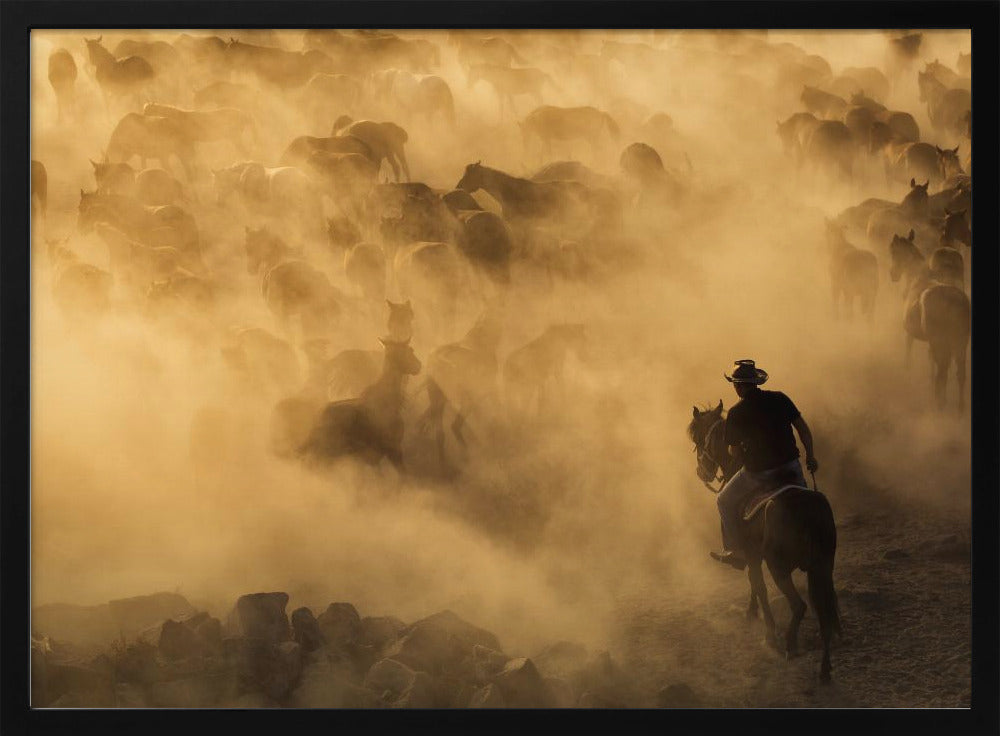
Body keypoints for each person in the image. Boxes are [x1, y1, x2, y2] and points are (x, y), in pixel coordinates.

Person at [711, 359, 819, 570]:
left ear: (739, 386)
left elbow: (734, 451)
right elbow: (803, 429)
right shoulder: (780, 398)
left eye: (735, 384)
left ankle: (737, 551)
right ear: (756, 382)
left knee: (723, 500)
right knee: (809, 502)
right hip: (791, 467)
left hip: (758, 474)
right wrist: (811, 457)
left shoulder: (736, 413)